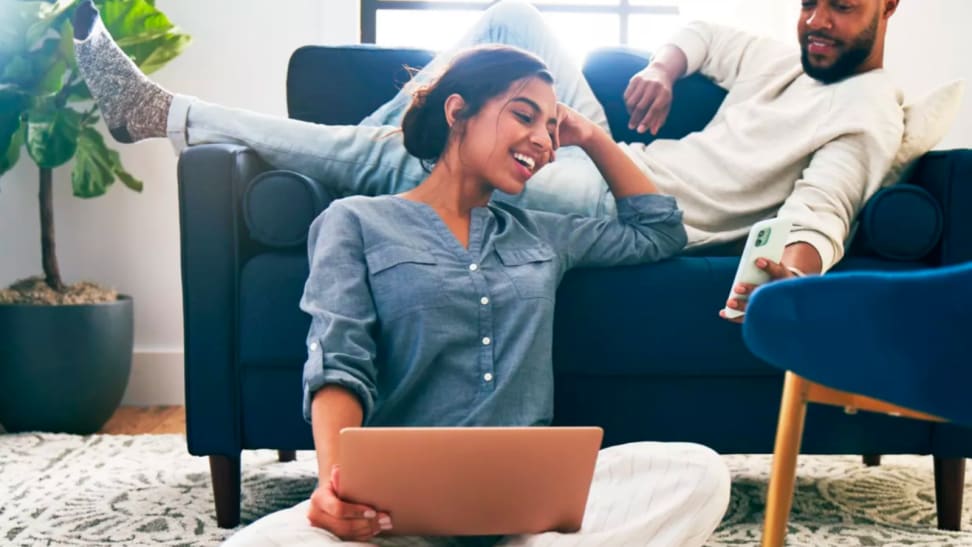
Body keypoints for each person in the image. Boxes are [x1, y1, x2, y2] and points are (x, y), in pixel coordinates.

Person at [71, 0, 905, 325]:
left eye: (839, 7)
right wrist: (665, 65)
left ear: (890, 5)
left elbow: (825, 206)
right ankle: (371, 145)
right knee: (518, 20)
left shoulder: (867, 110)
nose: (815, 20)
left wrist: (789, 268)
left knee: (394, 153)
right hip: (608, 157)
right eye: (808, 3)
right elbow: (711, 36)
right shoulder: (793, 55)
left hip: (624, 204)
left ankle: (164, 114)